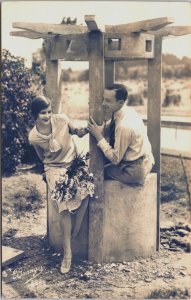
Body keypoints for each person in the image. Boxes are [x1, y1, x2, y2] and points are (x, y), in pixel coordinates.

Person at [29, 95, 94, 274]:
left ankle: (77, 226)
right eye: (43, 113)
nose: (48, 115)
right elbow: (41, 156)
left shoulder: (62, 119)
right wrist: (51, 169)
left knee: (88, 188)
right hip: (54, 167)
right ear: (35, 114)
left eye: (49, 111)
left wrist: (84, 130)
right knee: (63, 206)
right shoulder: (34, 136)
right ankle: (68, 254)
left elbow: (77, 132)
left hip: (73, 162)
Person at [88, 83, 154, 185]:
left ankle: (97, 201)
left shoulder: (124, 126)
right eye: (104, 99)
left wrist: (99, 137)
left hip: (134, 170)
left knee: (95, 173)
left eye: (108, 101)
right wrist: (103, 128)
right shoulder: (126, 111)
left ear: (120, 102)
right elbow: (114, 123)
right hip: (144, 160)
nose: (103, 103)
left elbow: (115, 159)